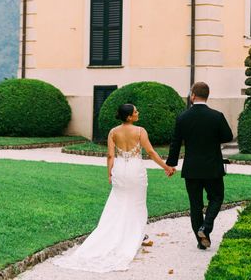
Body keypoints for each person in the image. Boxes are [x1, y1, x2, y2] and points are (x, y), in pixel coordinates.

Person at [54, 104, 176, 272]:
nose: (138, 113)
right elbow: (151, 152)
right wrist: (166, 167)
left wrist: (109, 173)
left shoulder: (113, 132)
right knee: (137, 204)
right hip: (135, 171)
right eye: (135, 112)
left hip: (119, 169)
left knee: (118, 203)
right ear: (129, 117)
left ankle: (121, 235)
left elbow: (110, 155)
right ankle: (134, 236)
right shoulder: (140, 131)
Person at [167, 82, 233, 250]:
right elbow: (228, 136)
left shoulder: (182, 117)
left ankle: (201, 240)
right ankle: (206, 227)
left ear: (193, 96)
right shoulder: (217, 116)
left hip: (192, 168)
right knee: (217, 197)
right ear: (207, 96)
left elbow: (175, 143)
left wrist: (171, 164)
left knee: (195, 205)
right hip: (212, 167)